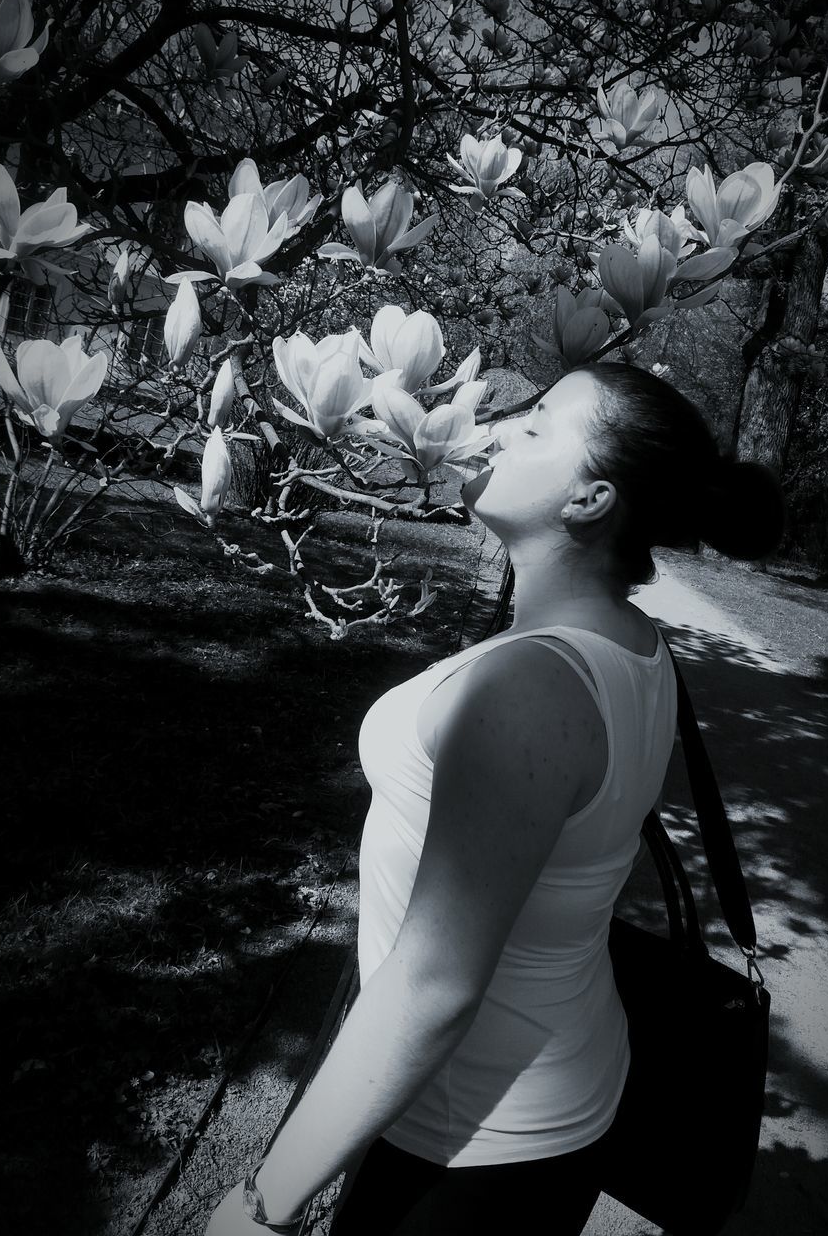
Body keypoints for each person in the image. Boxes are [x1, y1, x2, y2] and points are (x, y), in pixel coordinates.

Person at [206, 362, 785, 1236]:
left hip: (472, 1146)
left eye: (540, 424)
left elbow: (434, 985)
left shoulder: (532, 687)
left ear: (589, 501)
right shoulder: (631, 643)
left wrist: (264, 1202)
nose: (504, 424)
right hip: (545, 1098)